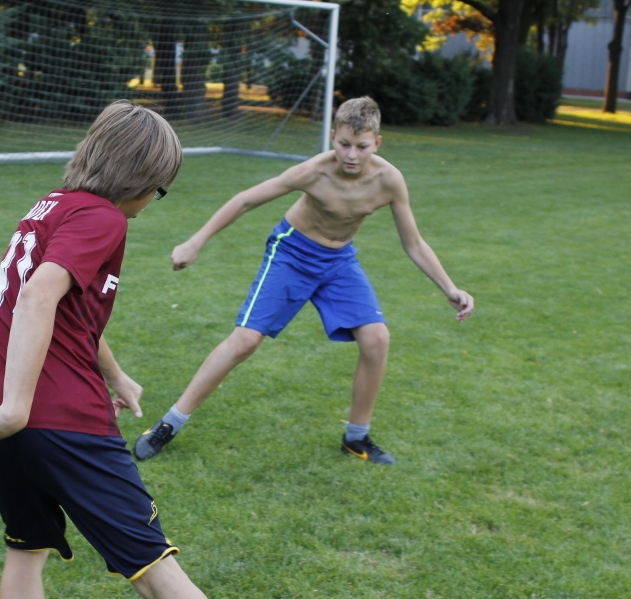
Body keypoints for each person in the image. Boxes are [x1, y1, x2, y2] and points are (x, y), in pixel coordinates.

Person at [0, 100, 315, 599]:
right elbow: (39, 295)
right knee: (156, 570)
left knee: (25, 550)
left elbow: (68, 311)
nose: (154, 202)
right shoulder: (103, 217)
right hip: (57, 422)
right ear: (138, 179)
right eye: (160, 189)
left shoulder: (50, 207)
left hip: (0, 427)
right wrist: (18, 407)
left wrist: (114, 374)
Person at [134, 96, 474, 466]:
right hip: (292, 253)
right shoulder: (314, 171)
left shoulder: (389, 180)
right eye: (344, 144)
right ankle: (169, 424)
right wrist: (195, 242)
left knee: (377, 338)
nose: (351, 155)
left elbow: (414, 243)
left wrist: (449, 287)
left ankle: (356, 437)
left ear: (377, 142)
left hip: (339, 261)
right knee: (245, 340)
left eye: (362, 146)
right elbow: (246, 200)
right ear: (333, 137)